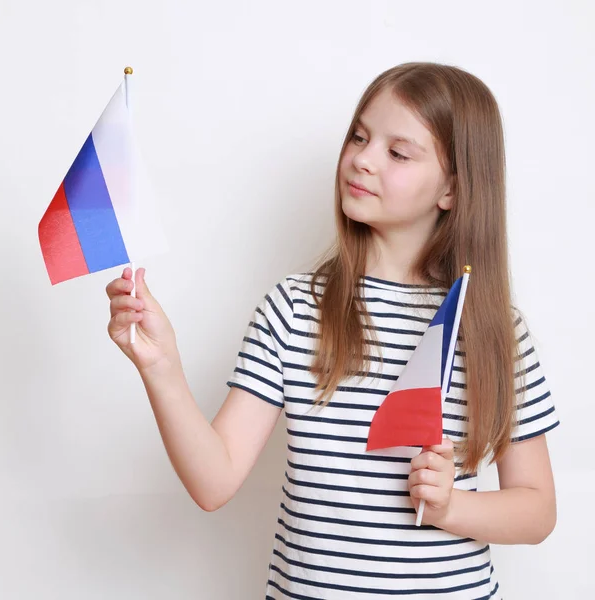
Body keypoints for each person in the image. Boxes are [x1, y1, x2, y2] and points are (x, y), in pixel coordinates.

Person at [105, 62, 559, 599]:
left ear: (452, 192)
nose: (362, 159)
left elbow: (537, 510)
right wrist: (162, 369)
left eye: (397, 152)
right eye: (360, 137)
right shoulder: (294, 310)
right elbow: (213, 481)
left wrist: (452, 506)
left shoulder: (491, 329)